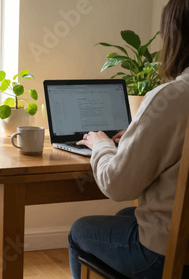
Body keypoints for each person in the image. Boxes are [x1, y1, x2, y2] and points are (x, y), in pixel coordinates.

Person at [68, 0, 189, 278]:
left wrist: (102, 145)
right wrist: (137, 137)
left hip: (165, 256)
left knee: (79, 230)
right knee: (127, 216)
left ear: (174, 36)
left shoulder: (170, 97)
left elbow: (117, 185)